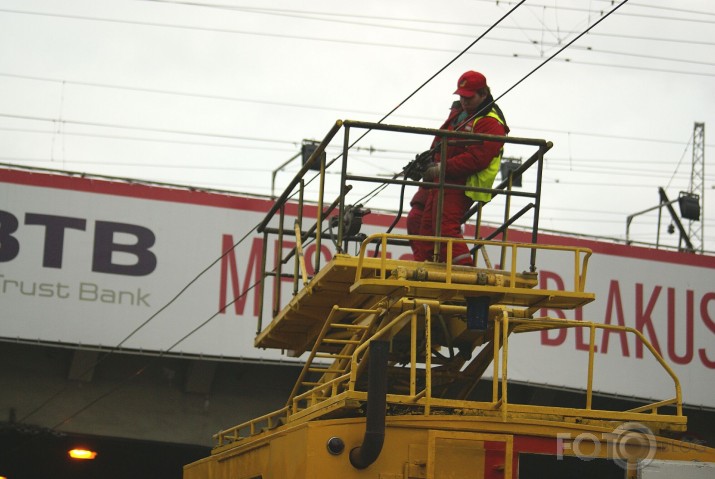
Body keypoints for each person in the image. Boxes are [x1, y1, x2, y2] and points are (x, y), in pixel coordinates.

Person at [411, 70, 509, 265]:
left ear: (483, 94)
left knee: (445, 228)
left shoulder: (490, 122)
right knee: (426, 226)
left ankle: (466, 275)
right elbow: (441, 141)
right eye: (461, 97)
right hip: (445, 179)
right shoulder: (462, 115)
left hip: (463, 182)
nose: (464, 101)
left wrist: (439, 168)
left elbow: (476, 159)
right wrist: (426, 162)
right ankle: (423, 270)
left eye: (469, 97)